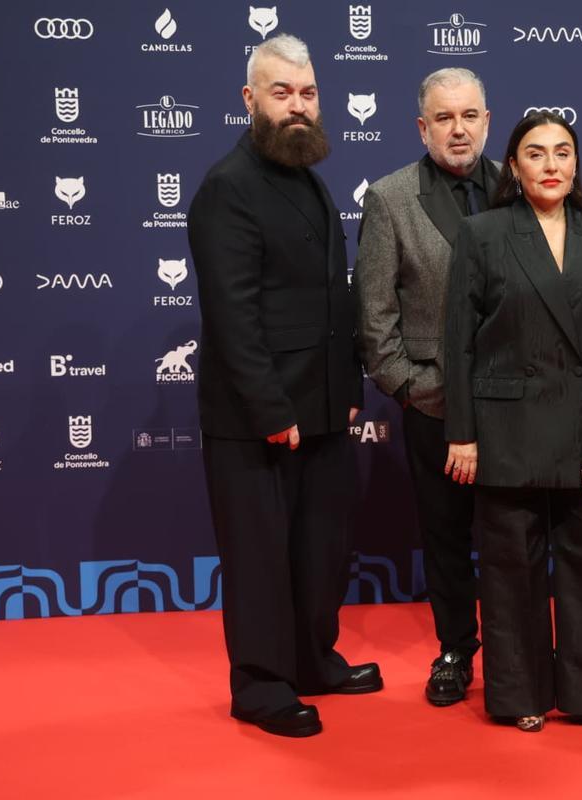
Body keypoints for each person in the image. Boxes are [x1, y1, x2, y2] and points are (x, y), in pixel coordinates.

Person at [187, 33, 381, 739]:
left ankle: (312, 659)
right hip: (257, 416)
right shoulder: (228, 187)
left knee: (319, 549)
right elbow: (232, 315)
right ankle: (262, 686)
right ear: (250, 99)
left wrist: (347, 384)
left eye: (307, 93)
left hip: (321, 403)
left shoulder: (307, 177)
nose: (298, 106)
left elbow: (332, 297)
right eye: (282, 92)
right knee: (261, 557)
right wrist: (271, 408)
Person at [444, 110, 582, 735]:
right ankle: (520, 692)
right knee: (511, 567)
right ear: (514, 165)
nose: (551, 164)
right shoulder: (481, 234)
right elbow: (459, 344)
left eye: (563, 152)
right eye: (536, 153)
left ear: (577, 163)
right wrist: (462, 434)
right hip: (505, 426)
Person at [354, 68, 498, 706]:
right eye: (444, 118)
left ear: (487, 121)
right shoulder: (390, 198)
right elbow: (374, 316)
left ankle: (517, 653)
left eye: (468, 115)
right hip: (434, 405)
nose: (458, 129)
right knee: (445, 537)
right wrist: (411, 388)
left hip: (518, 405)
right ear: (423, 127)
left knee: (515, 536)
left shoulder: (521, 184)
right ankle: (455, 650)